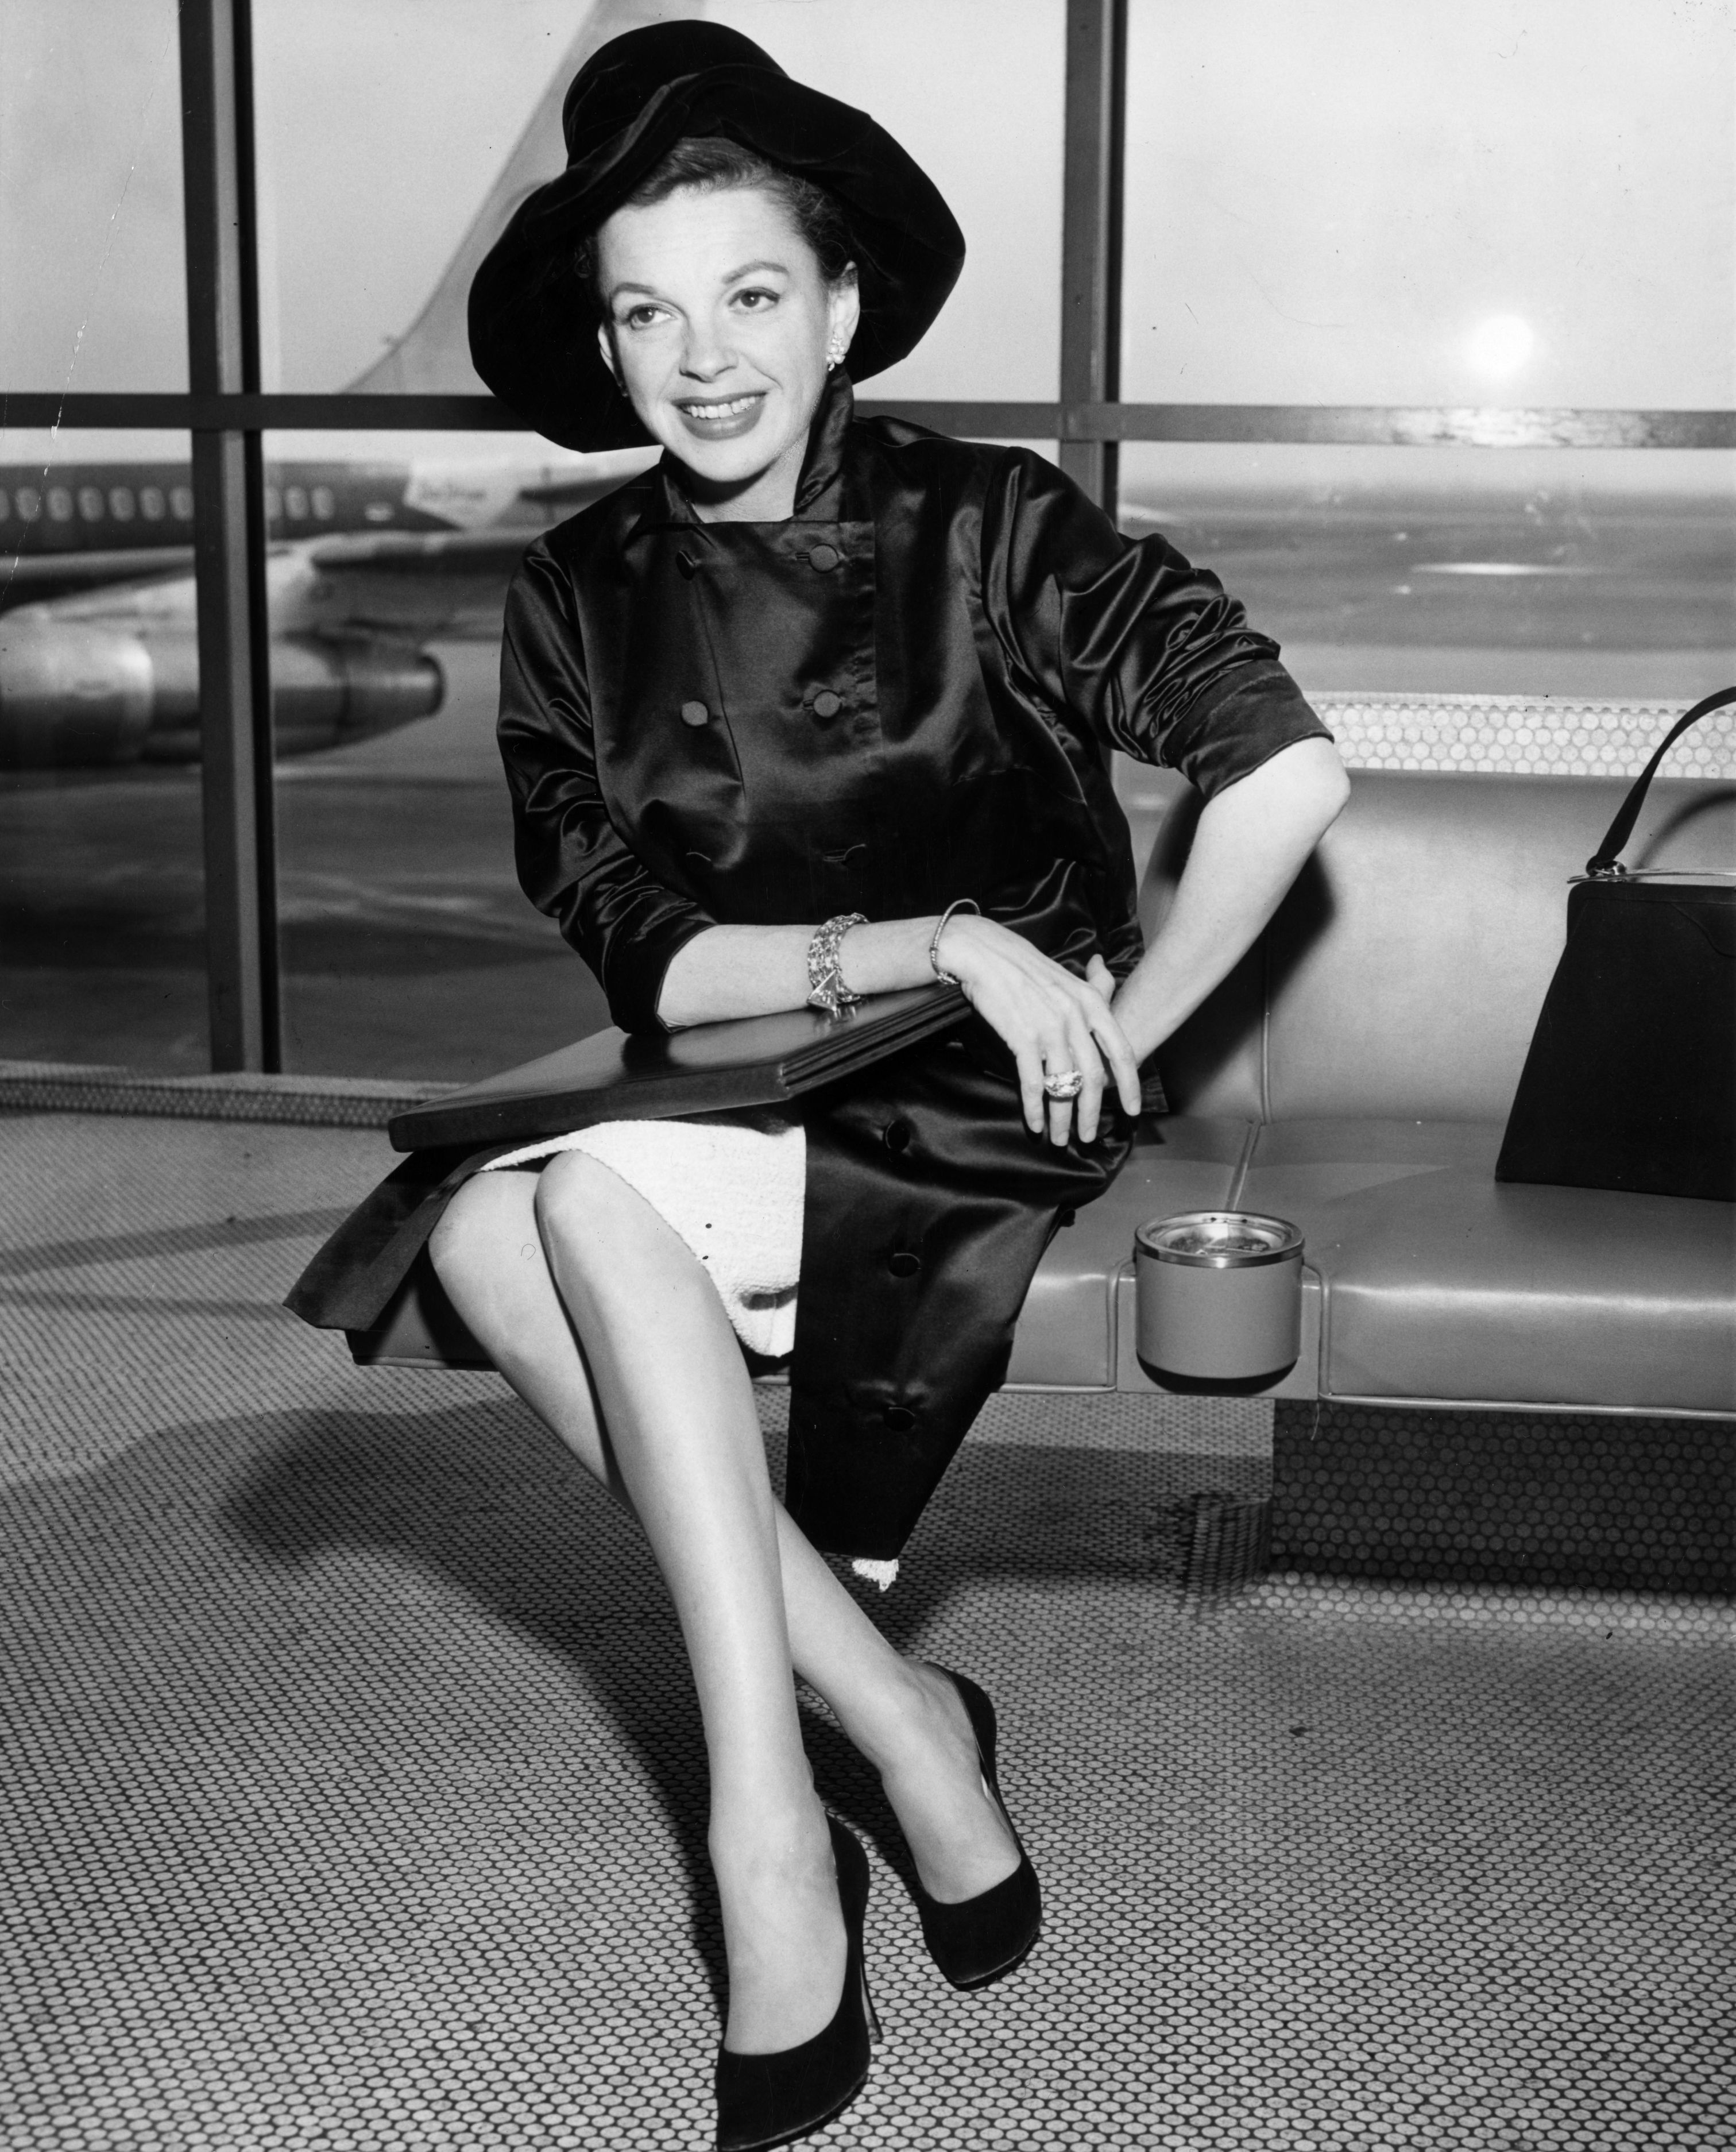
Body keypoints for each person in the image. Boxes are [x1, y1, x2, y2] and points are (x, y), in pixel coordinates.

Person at [290, 23, 1348, 2150]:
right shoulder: (574, 591)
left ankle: (767, 1834)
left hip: (979, 1092)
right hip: (749, 1062)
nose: (701, 361)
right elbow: (648, 945)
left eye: (750, 296)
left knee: (555, 1211)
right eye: (647, 312)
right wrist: (940, 930)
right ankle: (882, 1722)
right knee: (500, 1212)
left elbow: (1285, 763)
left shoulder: (992, 521)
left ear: (842, 303)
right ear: (606, 342)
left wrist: (1109, 1033)